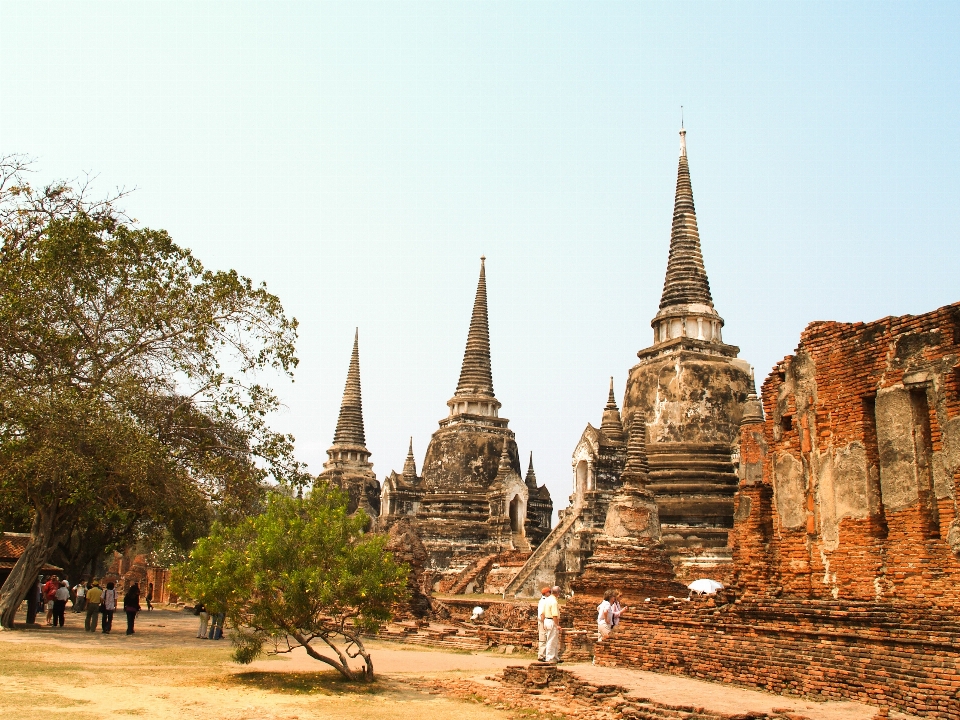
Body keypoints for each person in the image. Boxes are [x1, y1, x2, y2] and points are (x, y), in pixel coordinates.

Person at [541, 586, 561, 663]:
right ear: (558, 593)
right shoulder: (553, 601)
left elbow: (542, 613)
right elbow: (554, 615)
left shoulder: (547, 600)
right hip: (551, 621)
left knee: (554, 640)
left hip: (546, 620)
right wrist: (557, 625)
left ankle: (555, 657)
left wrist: (543, 623)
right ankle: (549, 658)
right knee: (551, 640)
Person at [536, 587, 551, 661]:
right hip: (542, 621)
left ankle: (545, 654)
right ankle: (541, 655)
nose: (550, 593)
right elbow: (542, 613)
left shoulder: (546, 600)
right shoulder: (543, 601)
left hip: (545, 621)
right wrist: (544, 622)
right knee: (543, 639)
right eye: (549, 592)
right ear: (546, 593)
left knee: (546, 639)